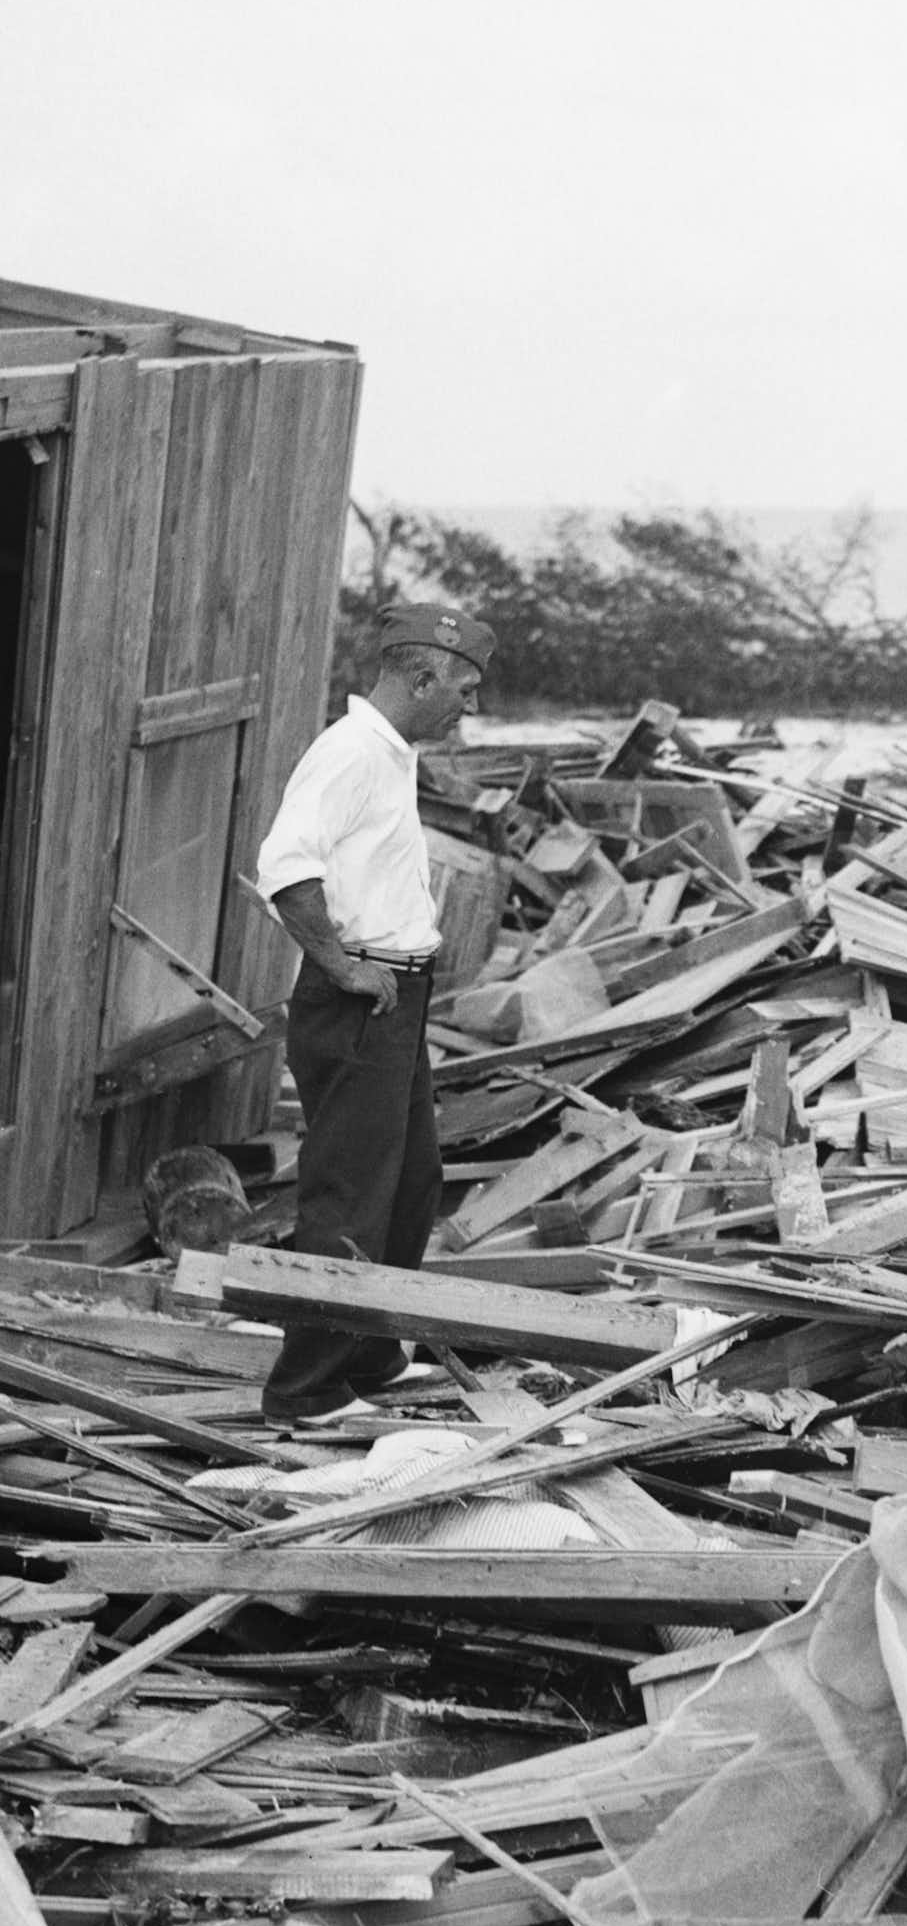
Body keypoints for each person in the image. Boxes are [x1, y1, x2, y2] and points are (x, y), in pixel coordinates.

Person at [251, 601, 493, 1424]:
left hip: (397, 998)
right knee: (350, 1192)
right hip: (361, 998)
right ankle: (306, 1388)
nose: (470, 705)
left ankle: (371, 1351)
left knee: (412, 1180)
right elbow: (285, 867)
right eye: (463, 687)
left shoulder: (392, 754)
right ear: (421, 677)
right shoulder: (350, 754)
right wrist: (340, 963)